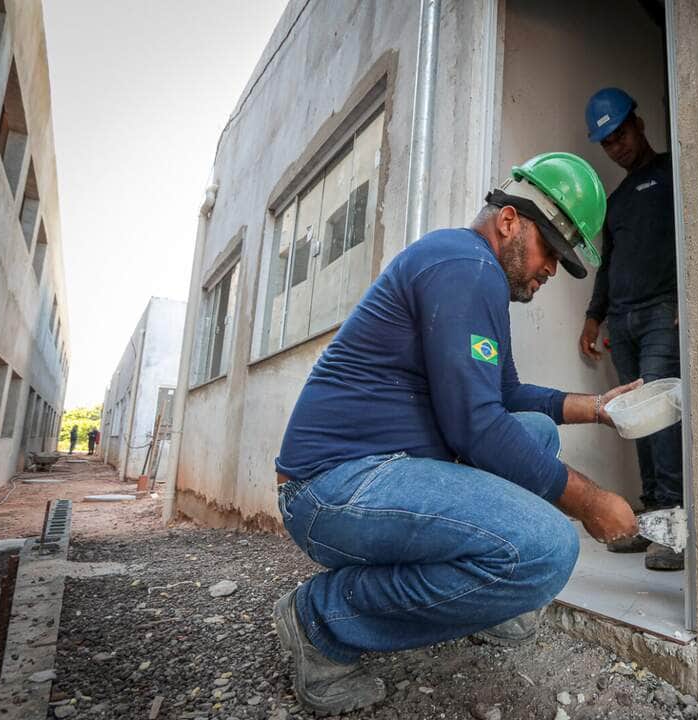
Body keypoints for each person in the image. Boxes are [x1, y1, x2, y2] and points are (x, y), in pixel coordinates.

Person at [273, 152, 641, 715]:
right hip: (331, 487)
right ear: (510, 220)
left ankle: (490, 603)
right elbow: (476, 425)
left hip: (377, 470)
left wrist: (597, 408)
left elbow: (505, 394)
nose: (551, 270)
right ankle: (322, 619)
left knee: (536, 432)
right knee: (548, 548)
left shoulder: (472, 271)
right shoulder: (465, 267)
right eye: (550, 251)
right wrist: (590, 501)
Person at [578, 88, 683, 571]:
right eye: (607, 143)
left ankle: (673, 527)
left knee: (661, 418)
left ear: (638, 125)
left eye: (620, 135)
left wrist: (687, 298)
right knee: (636, 421)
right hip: (622, 322)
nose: (617, 147)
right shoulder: (616, 202)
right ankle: (654, 517)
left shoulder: (674, 173)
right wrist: (593, 317)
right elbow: (608, 264)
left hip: (663, 312)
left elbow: (694, 234)